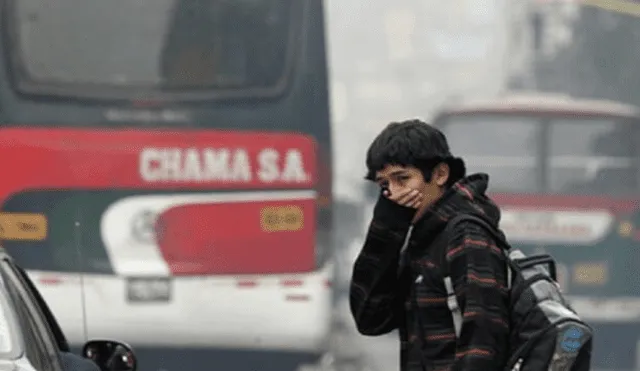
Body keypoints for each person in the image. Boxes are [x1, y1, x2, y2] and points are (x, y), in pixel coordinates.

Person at [350, 119, 510, 370]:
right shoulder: (422, 239)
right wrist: (386, 228)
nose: (393, 193)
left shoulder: (465, 234)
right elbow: (370, 319)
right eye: (384, 185)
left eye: (402, 179)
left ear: (440, 175)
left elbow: (484, 339)